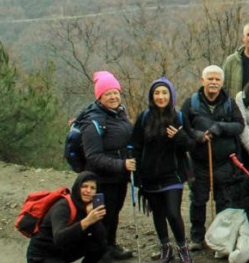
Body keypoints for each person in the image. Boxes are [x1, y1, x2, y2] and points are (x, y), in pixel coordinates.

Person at [130, 78, 195, 263]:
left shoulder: (179, 117)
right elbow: (135, 145)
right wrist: (137, 174)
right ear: (152, 96)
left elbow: (191, 144)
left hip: (173, 176)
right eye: (156, 93)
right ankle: (165, 248)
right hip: (149, 176)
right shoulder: (144, 118)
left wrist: (179, 136)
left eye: (164, 93)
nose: (160, 97)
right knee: (158, 214)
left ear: (171, 96)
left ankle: (183, 248)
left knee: (173, 213)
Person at [182, 65, 245, 251]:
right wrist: (198, 135)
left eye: (217, 79)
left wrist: (220, 127)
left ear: (222, 82)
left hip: (224, 162)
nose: (214, 82)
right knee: (198, 200)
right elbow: (183, 128)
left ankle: (221, 236)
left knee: (223, 200)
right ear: (202, 81)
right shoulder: (191, 103)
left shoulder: (230, 103)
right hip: (199, 161)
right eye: (210, 79)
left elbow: (239, 126)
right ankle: (196, 237)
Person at [78, 70, 135, 260]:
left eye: (115, 92)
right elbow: (93, 157)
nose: (113, 96)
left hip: (119, 177)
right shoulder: (93, 121)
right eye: (108, 93)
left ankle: (110, 246)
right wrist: (122, 165)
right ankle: (99, 253)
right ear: (99, 96)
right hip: (101, 179)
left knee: (113, 214)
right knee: (101, 216)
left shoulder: (119, 113)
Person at [26, 171, 109, 263]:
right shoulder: (63, 206)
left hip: (62, 250)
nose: (88, 191)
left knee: (99, 245)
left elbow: (102, 239)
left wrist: (95, 218)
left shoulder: (88, 206)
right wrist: (87, 221)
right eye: (84, 186)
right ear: (77, 187)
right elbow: (59, 238)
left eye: (92, 188)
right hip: (42, 255)